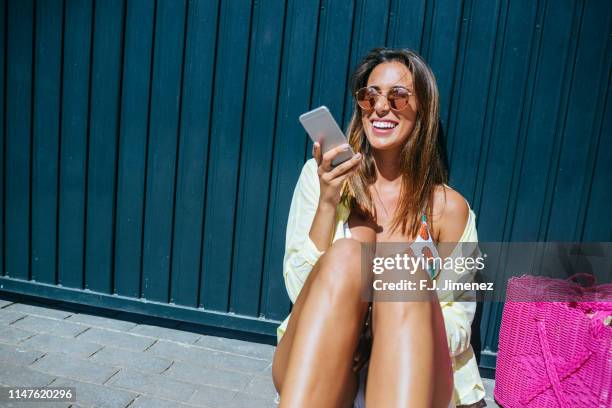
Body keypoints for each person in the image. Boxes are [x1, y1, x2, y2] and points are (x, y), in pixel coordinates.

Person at [272, 48, 487, 408]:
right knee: (345, 256)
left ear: (423, 109)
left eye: (398, 96)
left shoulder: (449, 209)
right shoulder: (323, 178)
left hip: (412, 372)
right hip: (327, 365)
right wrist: (328, 201)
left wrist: (379, 330)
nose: (380, 107)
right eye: (369, 96)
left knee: (403, 272)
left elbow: (458, 318)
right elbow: (299, 289)